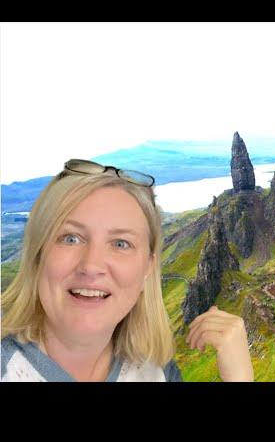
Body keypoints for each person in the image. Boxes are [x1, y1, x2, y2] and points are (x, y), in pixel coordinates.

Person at [1, 159, 254, 382]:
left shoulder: (159, 373)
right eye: (71, 238)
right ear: (37, 253)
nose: (91, 265)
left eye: (120, 244)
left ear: (148, 267)